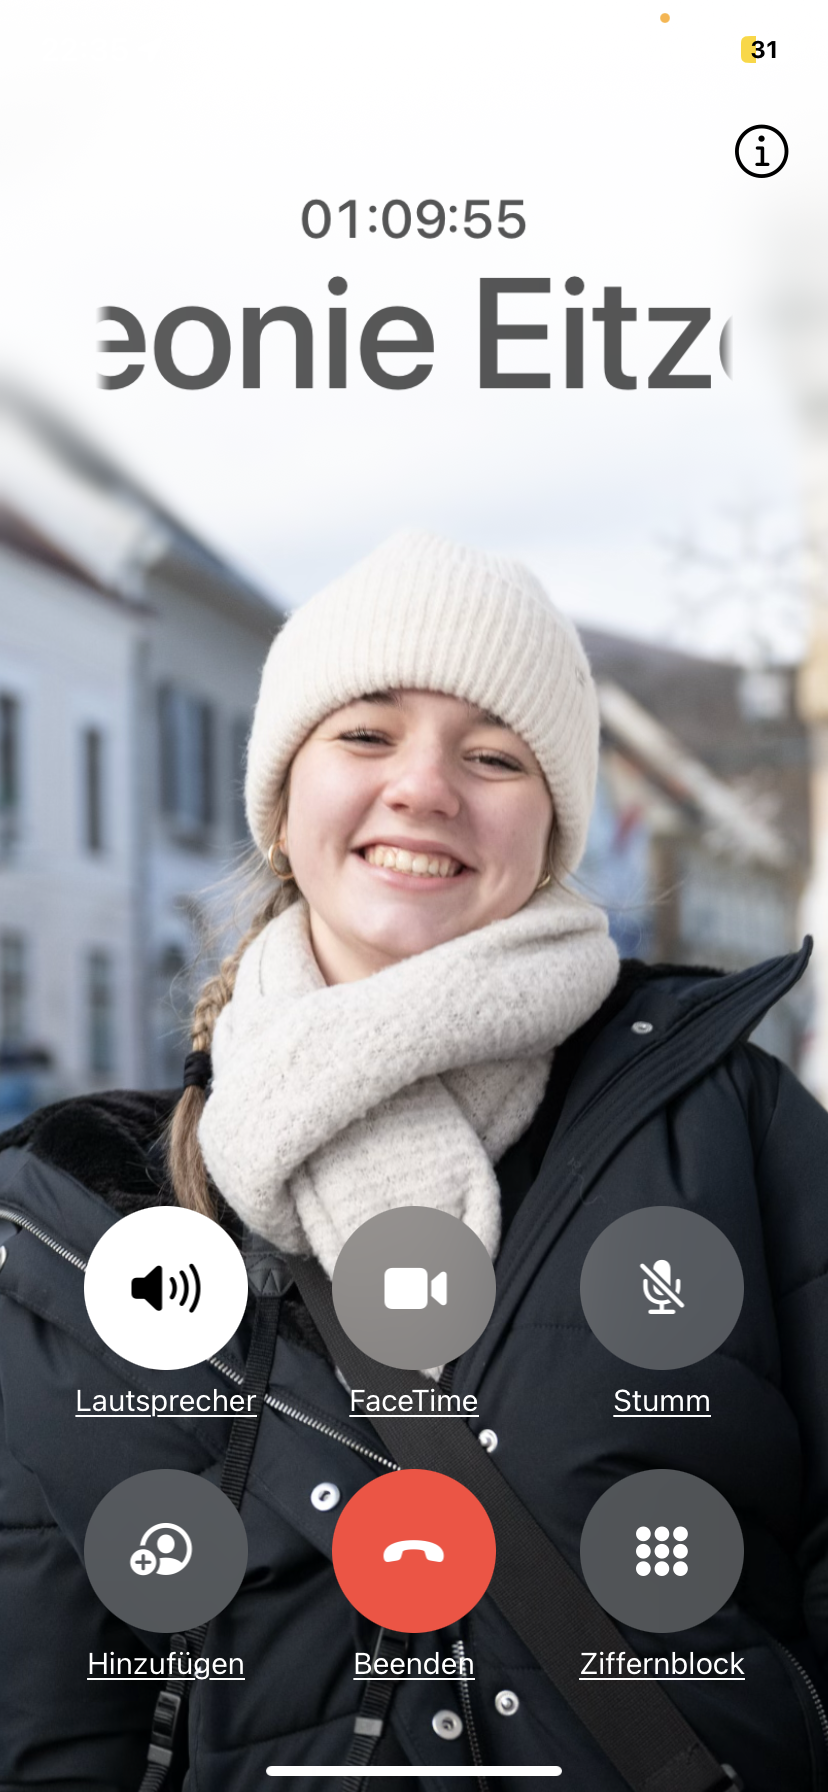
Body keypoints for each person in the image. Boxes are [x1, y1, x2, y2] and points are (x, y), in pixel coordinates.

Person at [0, 528, 827, 1792]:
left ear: (550, 827)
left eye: (492, 755)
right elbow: (48, 1703)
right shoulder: (79, 1213)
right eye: (367, 734)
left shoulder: (731, 1128)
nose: (425, 787)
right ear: (283, 801)